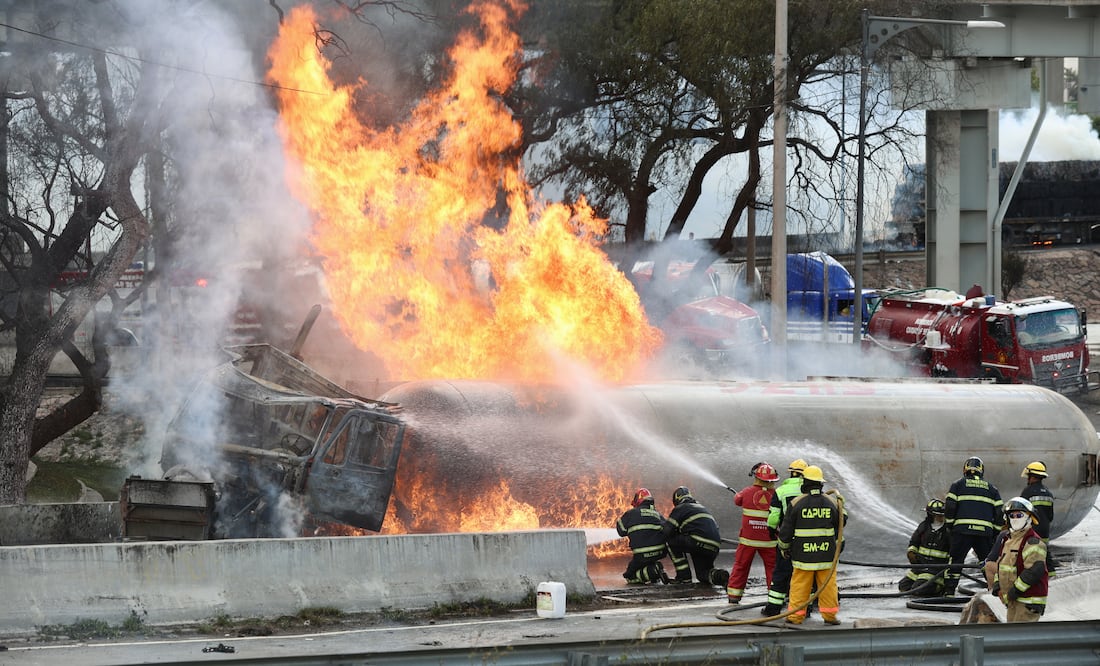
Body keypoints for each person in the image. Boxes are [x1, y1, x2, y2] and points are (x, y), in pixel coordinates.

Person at [777, 465, 846, 625]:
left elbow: (786, 531)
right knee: (828, 586)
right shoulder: (831, 502)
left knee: (800, 586)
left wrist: (784, 548)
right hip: (826, 555)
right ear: (821, 484)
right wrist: (841, 505)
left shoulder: (796, 503)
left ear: (805, 483)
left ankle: (795, 617)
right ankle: (830, 617)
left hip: (803, 556)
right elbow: (842, 521)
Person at [943, 456, 1003, 596]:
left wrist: (950, 525)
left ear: (965, 469)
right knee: (987, 562)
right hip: (984, 533)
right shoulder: (992, 489)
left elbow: (950, 507)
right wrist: (995, 531)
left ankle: (949, 592)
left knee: (956, 562)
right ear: (981, 470)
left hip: (962, 531)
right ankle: (995, 591)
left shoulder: (957, 485)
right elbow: (1000, 513)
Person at [984, 497, 1048, 622]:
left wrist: (1013, 592)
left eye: (1019, 515)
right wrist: (998, 586)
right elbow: (1001, 566)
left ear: (1030, 517)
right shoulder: (1009, 540)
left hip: (1027, 602)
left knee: (1022, 639)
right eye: (1011, 516)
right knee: (1012, 637)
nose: (1015, 519)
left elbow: (1034, 571)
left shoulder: (1033, 542)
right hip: (1013, 601)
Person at [725, 462, 779, 604]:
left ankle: (734, 596)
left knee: (741, 566)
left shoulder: (747, 492)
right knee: (773, 569)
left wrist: (740, 495)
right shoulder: (777, 495)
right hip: (769, 540)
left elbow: (737, 500)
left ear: (756, 477)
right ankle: (775, 598)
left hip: (748, 540)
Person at [761, 459, 807, 616]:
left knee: (781, 572)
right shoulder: (808, 489)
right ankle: (804, 608)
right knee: (803, 574)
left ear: (791, 473)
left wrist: (771, 530)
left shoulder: (780, 491)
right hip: (806, 539)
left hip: (786, 539)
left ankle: (773, 609)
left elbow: (774, 515)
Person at [663, 486, 723, 584]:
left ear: (677, 499)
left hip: (696, 541)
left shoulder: (681, 508)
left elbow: (667, 531)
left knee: (670, 541)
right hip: (714, 546)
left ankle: (684, 577)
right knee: (702, 575)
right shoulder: (702, 508)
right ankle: (718, 576)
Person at [615, 488, 671, 584]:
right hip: (660, 552)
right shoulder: (658, 515)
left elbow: (621, 531)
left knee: (629, 576)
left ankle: (653, 571)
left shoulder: (630, 514)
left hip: (642, 554)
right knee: (645, 563)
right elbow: (667, 530)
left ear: (638, 501)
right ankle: (653, 571)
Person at [898, 499, 951, 597]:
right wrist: (911, 553)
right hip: (920, 566)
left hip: (936, 569)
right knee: (903, 586)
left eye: (942, 515)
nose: (941, 517)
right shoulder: (924, 526)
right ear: (931, 515)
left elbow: (954, 551)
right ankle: (929, 586)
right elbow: (914, 542)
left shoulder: (948, 530)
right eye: (938, 515)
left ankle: (939, 588)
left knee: (918, 590)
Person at [1019, 460, 1057, 573]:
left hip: (1032, 529)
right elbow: (1050, 516)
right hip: (1045, 529)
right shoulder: (1048, 493)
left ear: (1033, 477)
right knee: (1045, 552)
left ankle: (1027, 576)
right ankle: (1051, 575)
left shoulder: (1027, 492)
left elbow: (1022, 512)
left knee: (1027, 553)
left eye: (1029, 476)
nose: (1027, 479)